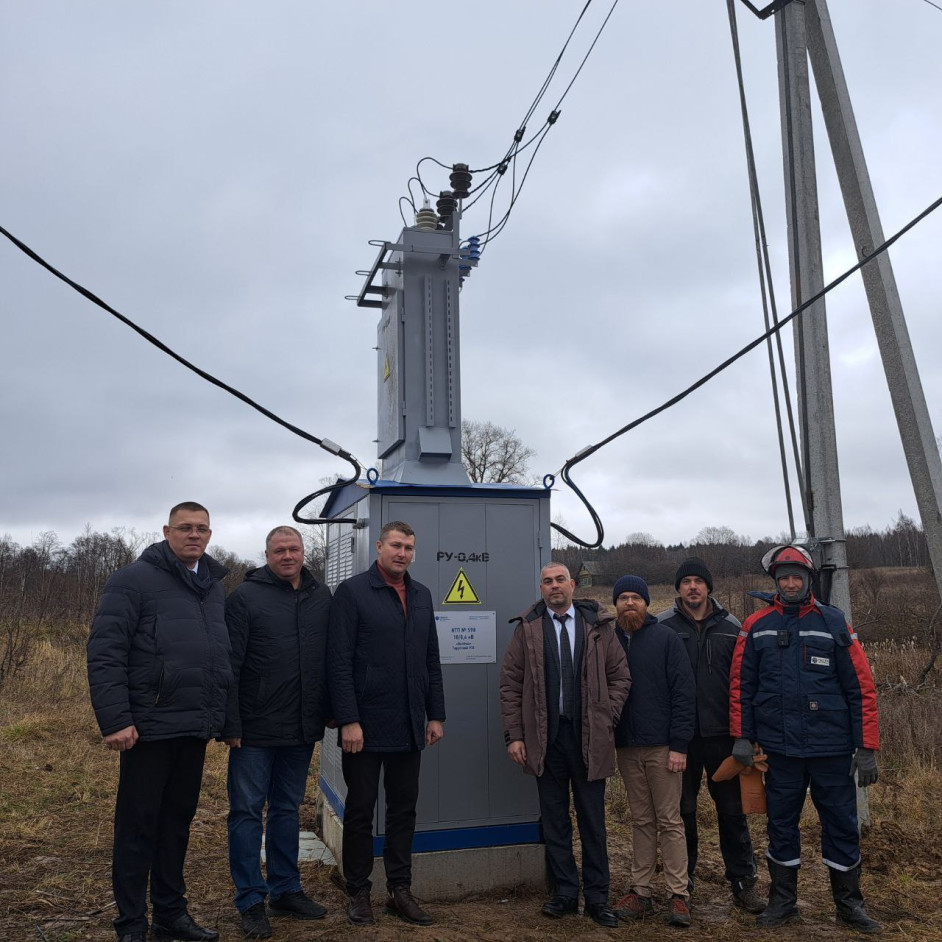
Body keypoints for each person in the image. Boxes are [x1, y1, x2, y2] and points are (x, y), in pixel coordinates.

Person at [87, 502, 230, 942]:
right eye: (185, 528)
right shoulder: (133, 581)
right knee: (137, 828)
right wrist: (116, 720)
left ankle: (171, 914)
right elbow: (105, 652)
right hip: (148, 727)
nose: (195, 535)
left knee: (176, 824)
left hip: (193, 727)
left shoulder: (210, 585)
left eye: (202, 529)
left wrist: (219, 717)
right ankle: (131, 924)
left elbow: (215, 654)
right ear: (167, 531)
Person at [730, 545, 881, 932]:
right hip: (781, 751)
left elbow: (861, 687)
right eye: (784, 578)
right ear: (776, 582)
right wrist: (742, 737)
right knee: (781, 825)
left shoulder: (833, 622)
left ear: (809, 579)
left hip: (832, 749)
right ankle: (783, 903)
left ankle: (849, 906)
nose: (791, 583)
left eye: (797, 577)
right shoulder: (756, 625)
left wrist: (866, 746)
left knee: (841, 825)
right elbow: (741, 687)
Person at [327, 521, 446, 927]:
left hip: (410, 723)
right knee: (360, 810)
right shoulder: (353, 592)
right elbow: (338, 662)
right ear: (378, 547)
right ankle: (358, 891)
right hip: (365, 727)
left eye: (409, 547)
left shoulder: (422, 595)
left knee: (403, 811)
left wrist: (435, 714)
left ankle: (400, 890)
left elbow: (431, 658)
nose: (403, 553)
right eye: (396, 545)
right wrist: (348, 720)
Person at [500, 562, 630, 929]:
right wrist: (516, 735)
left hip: (589, 739)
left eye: (560, 580)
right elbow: (510, 685)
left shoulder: (598, 627)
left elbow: (620, 675)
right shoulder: (527, 629)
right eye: (547, 581)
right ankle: (565, 894)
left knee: (593, 822)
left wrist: (607, 715)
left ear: (573, 585)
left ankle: (598, 899)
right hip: (546, 741)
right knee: (556, 822)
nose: (554, 586)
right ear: (540, 587)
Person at [222, 526, 332, 939]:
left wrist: (333, 710)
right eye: (279, 550)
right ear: (266, 555)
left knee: (287, 810)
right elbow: (229, 665)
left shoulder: (321, 597)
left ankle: (285, 889)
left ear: (304, 552)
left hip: (301, 727)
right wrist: (230, 723)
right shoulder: (245, 598)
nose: (288, 556)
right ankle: (251, 899)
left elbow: (331, 659)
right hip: (253, 730)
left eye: (294, 549)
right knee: (247, 812)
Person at [657, 558, 766, 914]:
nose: (692, 587)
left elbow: (746, 684)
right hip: (680, 739)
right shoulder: (663, 627)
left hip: (724, 738)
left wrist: (747, 736)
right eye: (685, 581)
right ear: (678, 588)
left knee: (733, 812)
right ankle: (681, 886)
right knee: (682, 811)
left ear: (708, 587)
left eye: (698, 581)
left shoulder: (732, 627)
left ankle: (742, 882)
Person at [611, 575, 695, 929]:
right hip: (627, 748)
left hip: (663, 748)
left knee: (670, 820)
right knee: (641, 820)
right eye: (624, 598)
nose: (630, 603)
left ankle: (679, 895)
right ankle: (641, 892)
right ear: (615, 604)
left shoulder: (666, 639)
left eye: (636, 598)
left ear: (646, 603)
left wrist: (679, 745)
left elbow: (683, 694)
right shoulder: (608, 639)